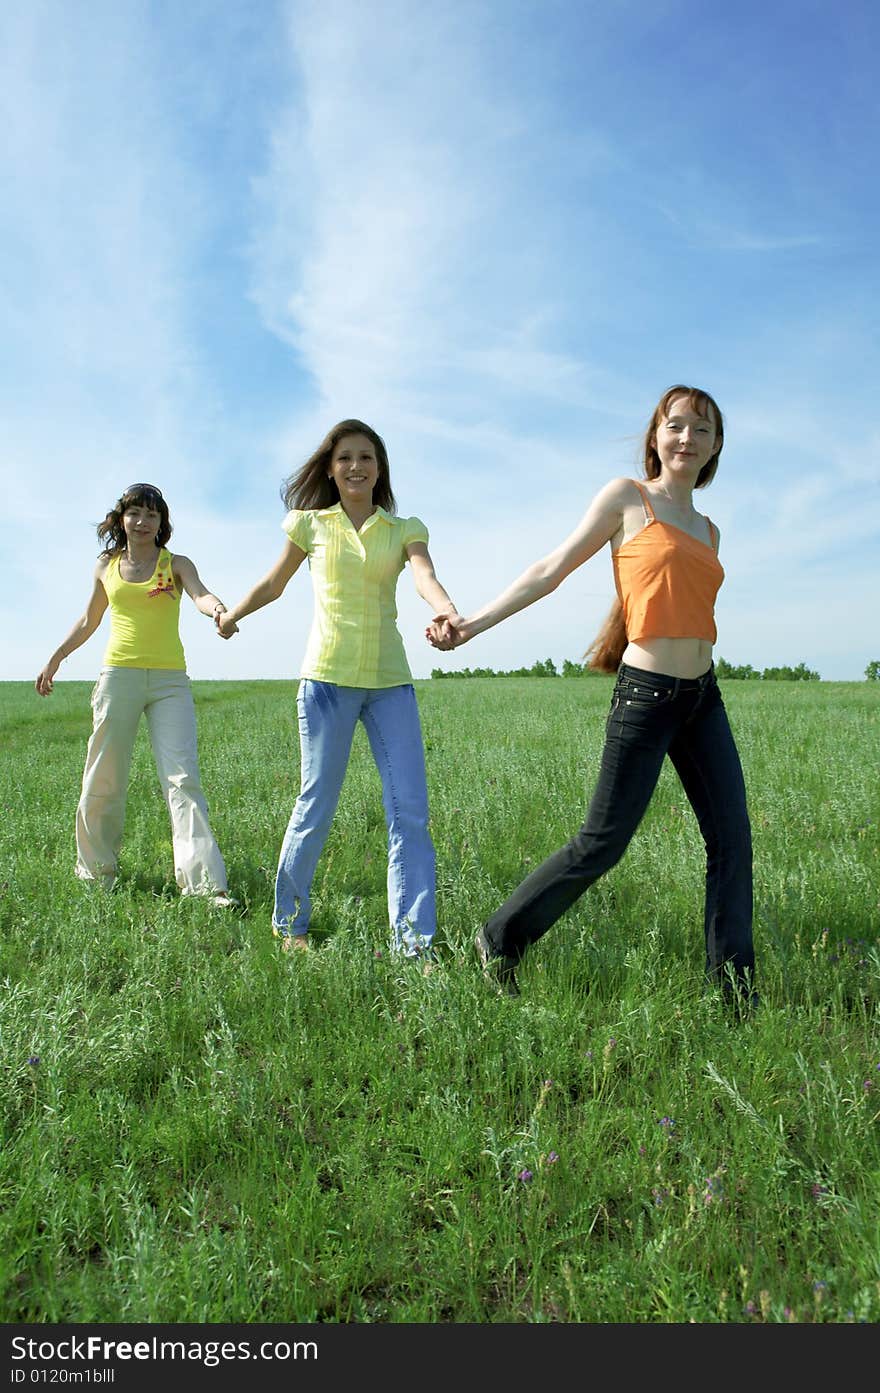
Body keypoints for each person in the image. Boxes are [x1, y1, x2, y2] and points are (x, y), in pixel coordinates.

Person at [428, 385, 755, 1009]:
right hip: (647, 695)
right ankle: (500, 937)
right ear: (656, 437)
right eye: (677, 426)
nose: (688, 439)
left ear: (715, 449)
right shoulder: (627, 499)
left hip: (702, 698)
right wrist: (470, 624)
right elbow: (549, 570)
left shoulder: (709, 531)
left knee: (732, 841)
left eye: (703, 431)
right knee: (602, 842)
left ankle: (734, 994)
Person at [217, 419, 460, 959]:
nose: (356, 466)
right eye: (345, 457)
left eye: (367, 458)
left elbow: (425, 577)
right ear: (330, 467)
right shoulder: (310, 524)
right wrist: (233, 613)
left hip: (390, 683)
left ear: (380, 469)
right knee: (316, 804)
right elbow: (274, 583)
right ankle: (289, 925)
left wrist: (447, 611)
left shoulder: (404, 529)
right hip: (326, 680)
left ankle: (414, 946)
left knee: (410, 812)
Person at [35, 483, 236, 907]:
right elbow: (89, 620)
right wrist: (56, 657)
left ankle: (204, 886)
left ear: (162, 523)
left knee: (183, 779)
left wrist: (218, 610)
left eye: (151, 515)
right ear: (121, 519)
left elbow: (200, 594)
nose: (142, 522)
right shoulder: (105, 565)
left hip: (169, 682)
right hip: (118, 677)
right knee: (103, 774)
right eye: (134, 513)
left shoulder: (175, 563)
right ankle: (95, 873)